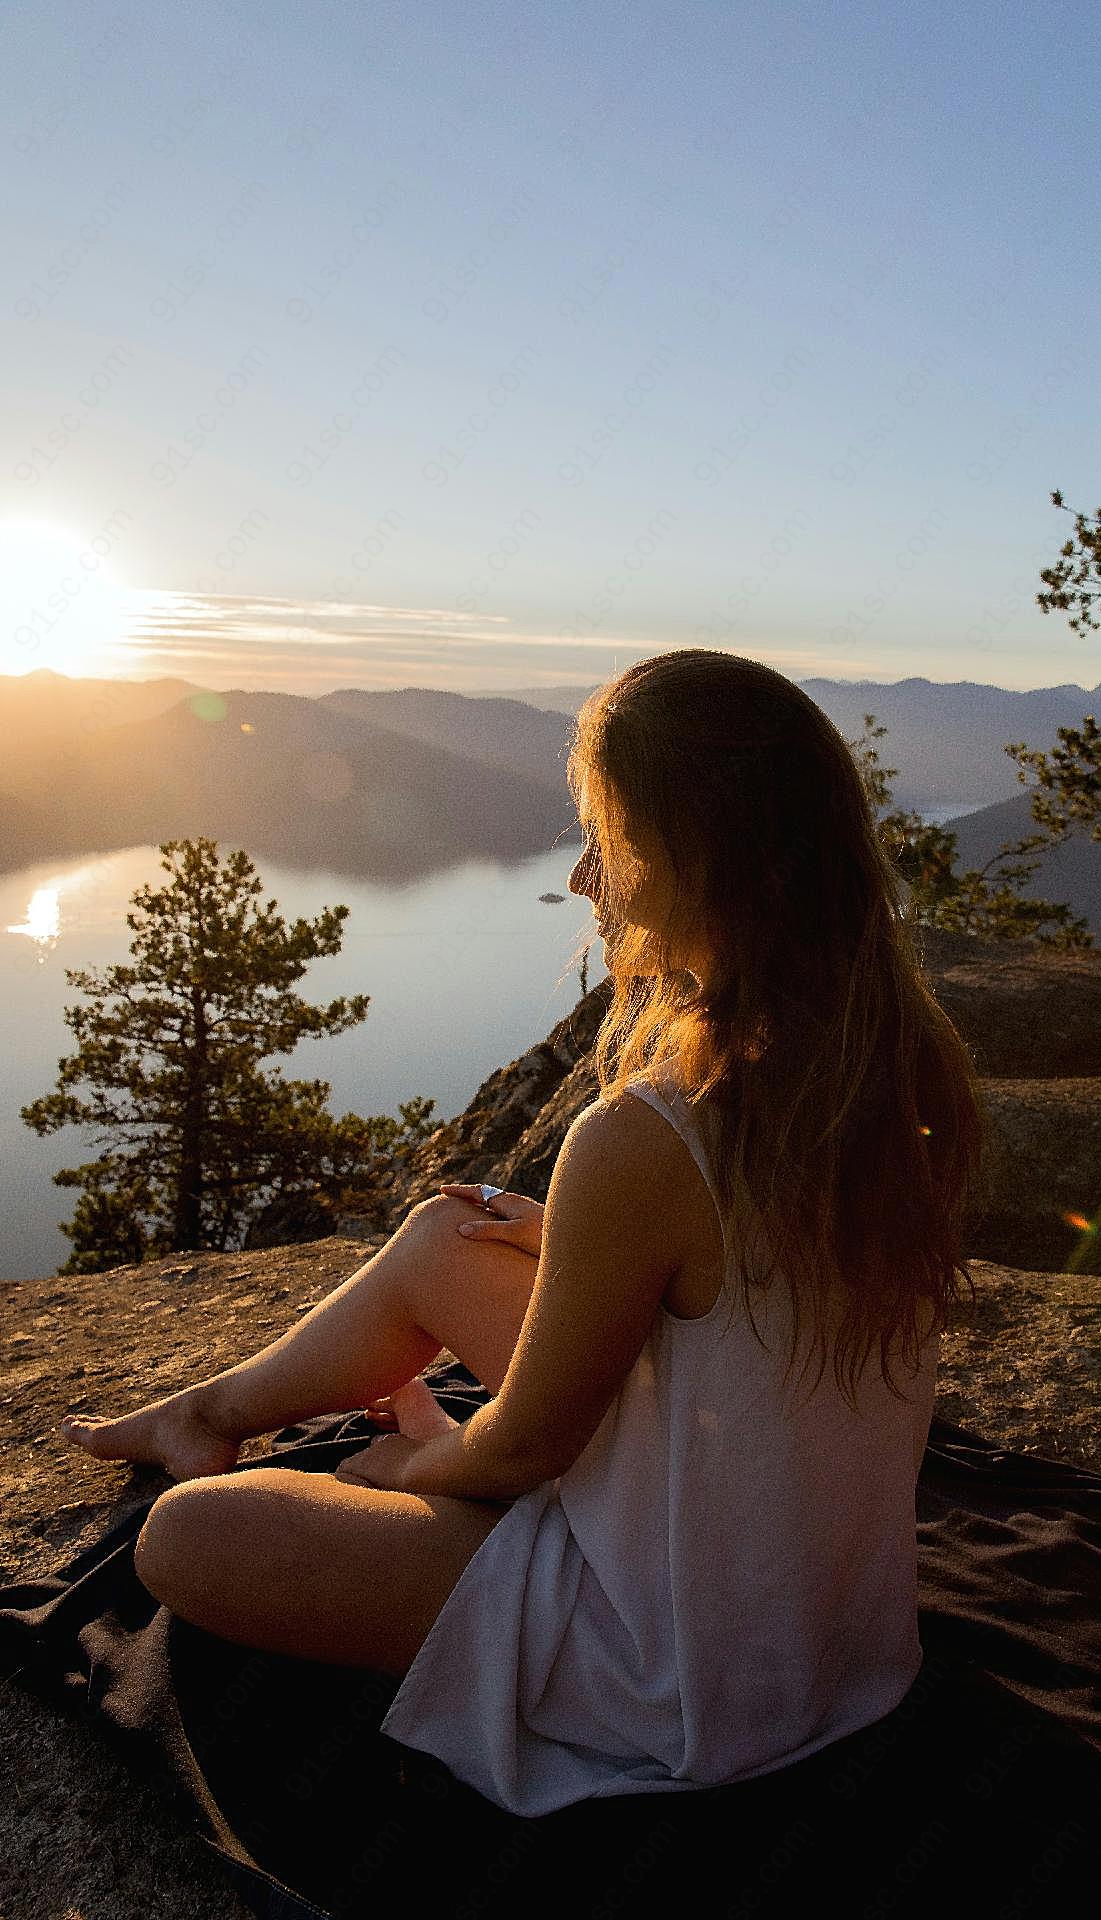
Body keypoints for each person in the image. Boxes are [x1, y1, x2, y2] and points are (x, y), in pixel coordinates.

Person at [56, 647, 987, 1815]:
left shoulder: (650, 1132)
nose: (586, 878)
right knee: (448, 1240)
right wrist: (571, 1236)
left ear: (692, 856)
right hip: (804, 1591)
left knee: (182, 1542)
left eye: (609, 838)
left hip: (680, 1654)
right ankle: (207, 1412)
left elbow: (523, 1451)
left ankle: (227, 1451)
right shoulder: (894, 1058)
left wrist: (420, 1459)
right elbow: (755, 1295)